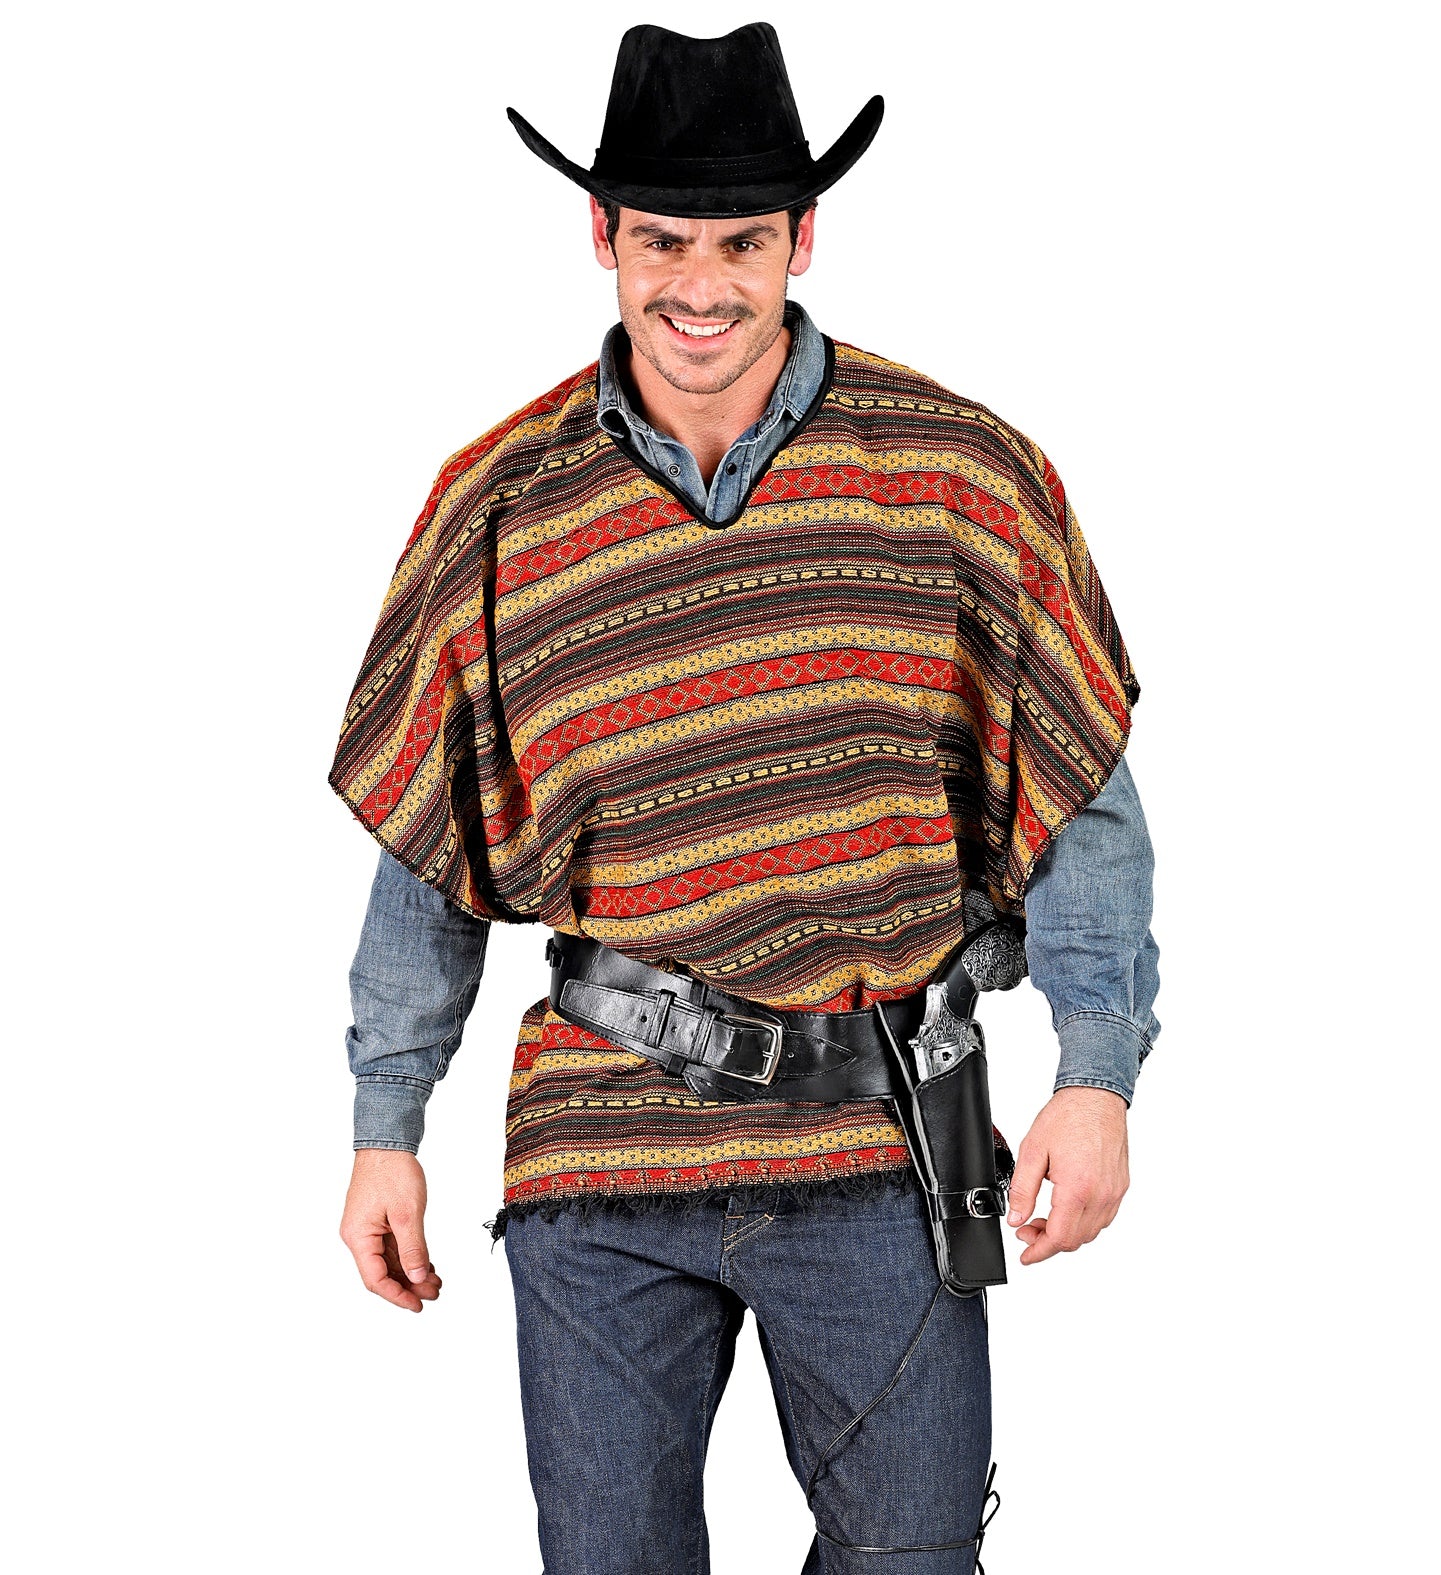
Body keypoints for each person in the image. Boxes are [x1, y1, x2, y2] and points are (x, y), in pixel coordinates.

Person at [330, 22, 1161, 1574]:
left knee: (911, 1560)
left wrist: (1096, 1076)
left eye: (740, 241)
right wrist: (388, 1123)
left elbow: (1081, 802)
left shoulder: (957, 475)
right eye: (663, 239)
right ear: (600, 235)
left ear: (802, 237)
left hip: (879, 1143)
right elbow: (428, 845)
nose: (699, 284)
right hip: (599, 1150)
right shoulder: (498, 504)